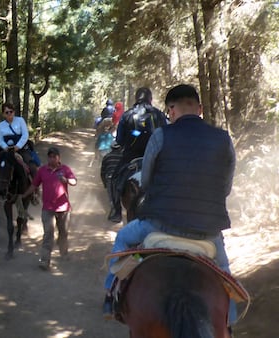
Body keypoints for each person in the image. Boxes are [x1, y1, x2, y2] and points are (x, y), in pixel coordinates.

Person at [102, 84, 237, 324]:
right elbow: (225, 189)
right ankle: (230, 321)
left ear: (171, 111)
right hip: (208, 232)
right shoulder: (224, 140)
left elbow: (146, 181)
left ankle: (110, 297)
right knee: (225, 275)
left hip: (161, 225)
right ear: (200, 109)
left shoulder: (161, 135)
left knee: (123, 237)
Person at [107, 87, 167, 222]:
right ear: (150, 99)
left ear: (136, 98)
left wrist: (134, 135)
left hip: (131, 157)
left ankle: (116, 211)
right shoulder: (158, 114)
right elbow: (166, 135)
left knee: (113, 178)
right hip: (156, 157)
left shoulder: (127, 115)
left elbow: (120, 140)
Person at [22, 147, 77, 270]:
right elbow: (34, 185)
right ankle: (45, 260)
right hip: (48, 209)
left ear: (59, 158)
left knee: (63, 233)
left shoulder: (65, 169)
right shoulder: (42, 170)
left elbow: (74, 181)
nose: (52, 159)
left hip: (64, 208)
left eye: (54, 156)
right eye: (50, 156)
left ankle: (64, 253)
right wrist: (24, 195)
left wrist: (66, 180)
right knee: (48, 234)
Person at [0, 103, 38, 200]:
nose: (9, 114)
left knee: (31, 166)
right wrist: (5, 147)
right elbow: (0, 139)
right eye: (7, 112)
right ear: (3, 114)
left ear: (14, 112)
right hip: (6, 150)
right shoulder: (1, 125)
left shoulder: (20, 121)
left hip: (20, 148)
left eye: (11, 111)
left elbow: (25, 135)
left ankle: (34, 191)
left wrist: (17, 146)